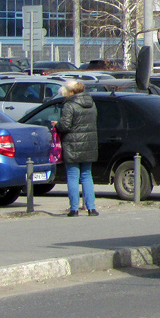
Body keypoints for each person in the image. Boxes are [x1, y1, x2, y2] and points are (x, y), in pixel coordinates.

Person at [55, 79, 99, 216]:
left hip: (72, 144)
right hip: (89, 144)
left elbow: (65, 126)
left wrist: (56, 125)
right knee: (87, 176)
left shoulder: (69, 105)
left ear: (71, 91)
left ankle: (74, 209)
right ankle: (91, 208)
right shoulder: (91, 103)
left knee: (73, 176)